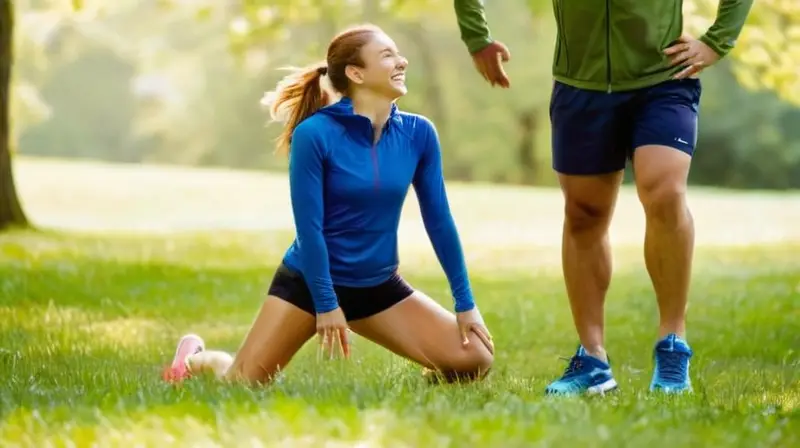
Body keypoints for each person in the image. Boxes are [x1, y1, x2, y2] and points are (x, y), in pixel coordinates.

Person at [161, 24, 494, 386]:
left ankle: (431, 379)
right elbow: (310, 229)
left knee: (475, 358)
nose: (402, 61)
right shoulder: (314, 135)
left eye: (398, 54)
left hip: (377, 284)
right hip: (310, 282)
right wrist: (325, 303)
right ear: (356, 73)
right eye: (387, 55)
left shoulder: (419, 134)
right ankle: (198, 359)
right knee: (241, 384)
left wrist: (465, 303)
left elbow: (439, 220)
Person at [452, 0, 754, 395]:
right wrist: (477, 39)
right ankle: (593, 360)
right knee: (583, 213)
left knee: (664, 191)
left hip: (664, 78)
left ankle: (673, 345)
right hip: (581, 85)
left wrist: (716, 42)